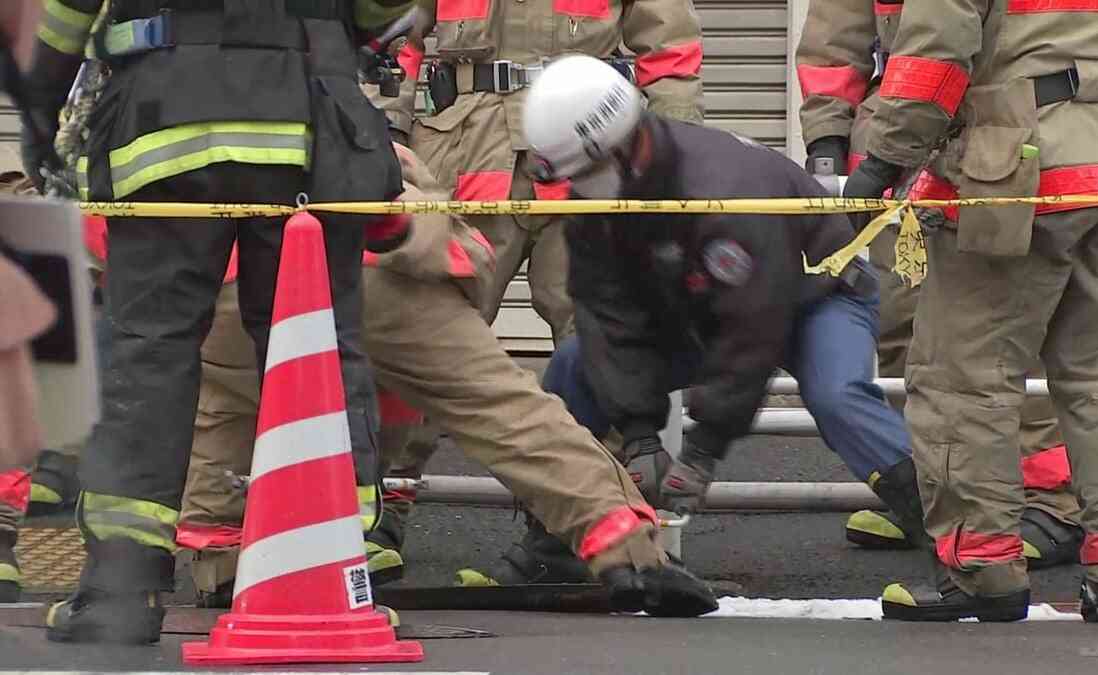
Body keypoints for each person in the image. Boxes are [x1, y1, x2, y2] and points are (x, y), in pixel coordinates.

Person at [168, 143, 719, 616]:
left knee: (230, 409)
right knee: (499, 407)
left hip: (241, 276)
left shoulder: (171, 90)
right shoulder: (332, 79)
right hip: (386, 259)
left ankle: (228, 565)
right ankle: (627, 548)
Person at [23, 0, 413, 644]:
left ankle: (120, 589)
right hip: (310, 125)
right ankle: (341, 571)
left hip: (165, 125)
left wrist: (41, 105)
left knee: (147, 350)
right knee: (316, 354)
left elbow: (64, 16)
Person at [469, 54, 931, 586]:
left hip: (817, 295)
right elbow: (604, 313)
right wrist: (641, 434)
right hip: (700, 304)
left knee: (838, 397)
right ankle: (554, 544)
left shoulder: (721, 191)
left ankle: (948, 539)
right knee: (575, 367)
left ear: (623, 145)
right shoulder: (600, 194)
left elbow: (752, 328)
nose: (579, 188)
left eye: (586, 174)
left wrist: (702, 451)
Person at [843, 0, 1098, 623]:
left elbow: (937, 45)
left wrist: (885, 159)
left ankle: (984, 569)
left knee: (964, 381)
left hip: (1010, 169)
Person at [794, 0, 1084, 568]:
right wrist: (828, 143)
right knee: (904, 327)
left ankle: (1049, 501)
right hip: (898, 140)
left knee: (997, 334)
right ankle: (943, 498)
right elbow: (835, 39)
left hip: (993, 130)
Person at [384, 0, 705, 347]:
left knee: (599, 329)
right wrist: (384, 136)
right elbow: (393, 35)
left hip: (586, 154)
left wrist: (671, 149)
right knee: (439, 328)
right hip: (468, 156)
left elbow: (670, 47)